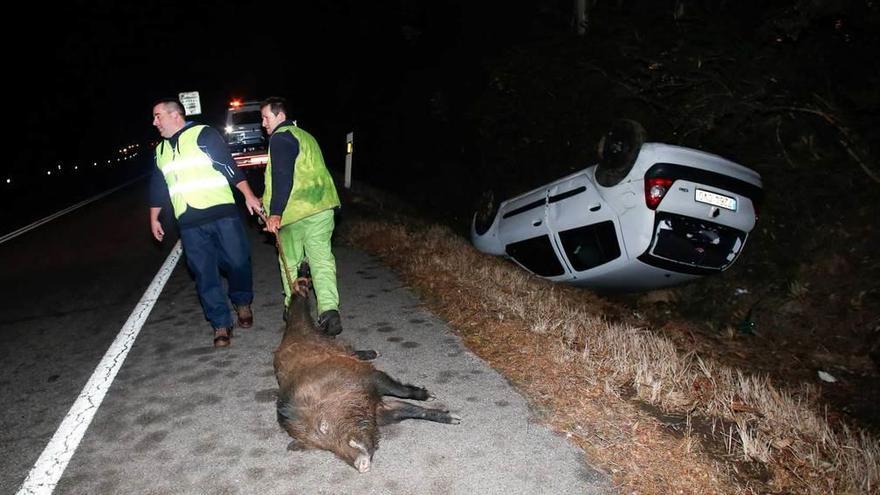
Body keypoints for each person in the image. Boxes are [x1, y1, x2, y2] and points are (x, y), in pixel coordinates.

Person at [149, 98, 263, 347]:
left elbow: (228, 166)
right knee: (204, 274)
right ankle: (220, 324)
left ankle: (242, 301)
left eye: (158, 116)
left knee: (238, 261)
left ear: (175, 115)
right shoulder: (160, 151)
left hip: (222, 213)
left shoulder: (203, 134)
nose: (154, 122)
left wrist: (248, 195)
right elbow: (159, 186)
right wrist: (154, 216)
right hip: (189, 222)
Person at [259, 96, 343, 335]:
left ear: (280, 116)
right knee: (321, 260)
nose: (263, 123)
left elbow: (282, 177)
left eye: (266, 117)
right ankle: (329, 312)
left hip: (295, 212)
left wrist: (274, 213)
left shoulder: (280, 137)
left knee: (291, 263)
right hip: (322, 207)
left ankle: (293, 312)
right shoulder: (306, 136)